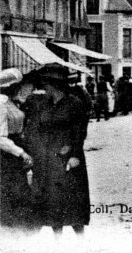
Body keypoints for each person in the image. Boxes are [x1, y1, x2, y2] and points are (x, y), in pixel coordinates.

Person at [24, 64, 91, 236]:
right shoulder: (44, 104)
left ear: (54, 84)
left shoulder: (74, 103)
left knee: (73, 201)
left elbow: (80, 131)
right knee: (53, 202)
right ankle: (57, 241)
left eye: (46, 84)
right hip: (49, 158)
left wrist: (74, 153)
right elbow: (36, 128)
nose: (44, 87)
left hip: (69, 157)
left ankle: (81, 239)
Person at [0, 69, 35, 232]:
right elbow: (0, 138)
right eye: (17, 85)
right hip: (7, 153)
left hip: (16, 148)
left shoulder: (12, 102)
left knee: (19, 188)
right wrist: (20, 152)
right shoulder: (1, 104)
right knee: (12, 190)